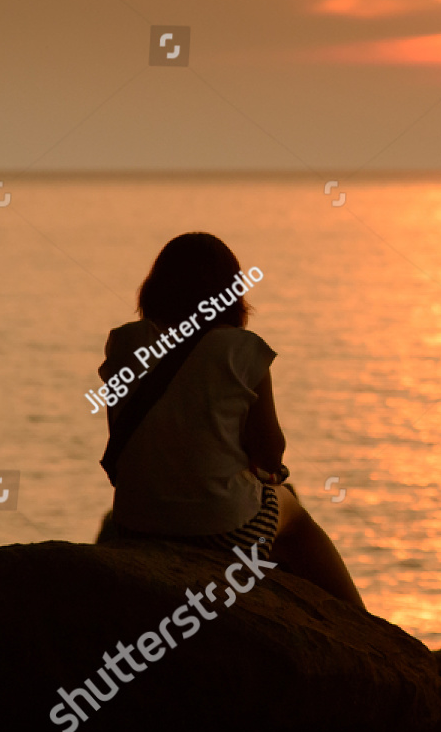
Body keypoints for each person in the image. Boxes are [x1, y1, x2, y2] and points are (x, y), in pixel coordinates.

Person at [94, 232, 365, 611]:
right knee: (293, 513)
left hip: (134, 523)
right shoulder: (242, 350)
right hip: (219, 532)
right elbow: (270, 454)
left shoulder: (123, 343)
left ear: (155, 288)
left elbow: (124, 441)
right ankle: (359, 620)